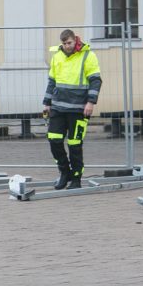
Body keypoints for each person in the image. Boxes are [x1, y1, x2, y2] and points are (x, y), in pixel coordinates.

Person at [42, 29, 102, 189]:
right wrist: (46, 102)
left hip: (79, 109)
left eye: (69, 43)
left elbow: (96, 80)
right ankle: (64, 172)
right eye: (64, 43)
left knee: (75, 145)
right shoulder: (57, 56)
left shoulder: (88, 55)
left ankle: (76, 179)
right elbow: (52, 81)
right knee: (54, 140)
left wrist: (91, 102)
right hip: (58, 107)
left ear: (75, 40)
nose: (67, 46)